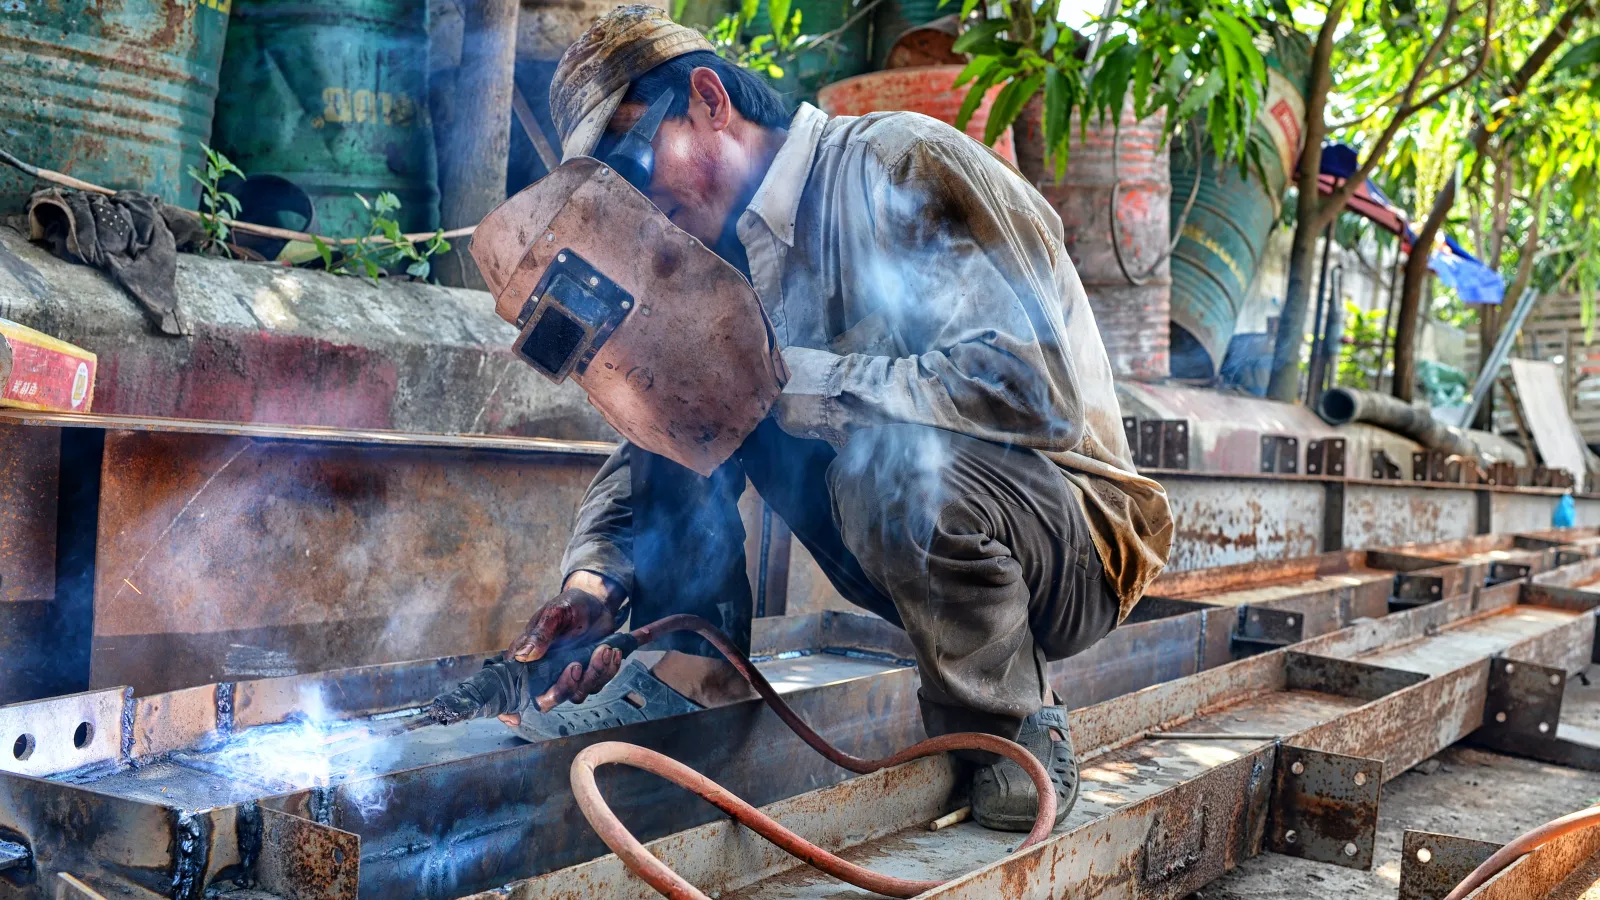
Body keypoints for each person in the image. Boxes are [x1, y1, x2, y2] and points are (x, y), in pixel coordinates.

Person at [501, 4, 1174, 831]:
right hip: (921, 537)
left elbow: (1035, 390)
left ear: (710, 100)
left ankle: (1009, 728)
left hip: (1068, 532)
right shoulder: (716, 262)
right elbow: (662, 436)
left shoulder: (900, 163)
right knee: (680, 377)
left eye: (636, 165)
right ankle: (693, 671)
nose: (638, 207)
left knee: (881, 463)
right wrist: (596, 581)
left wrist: (787, 380)